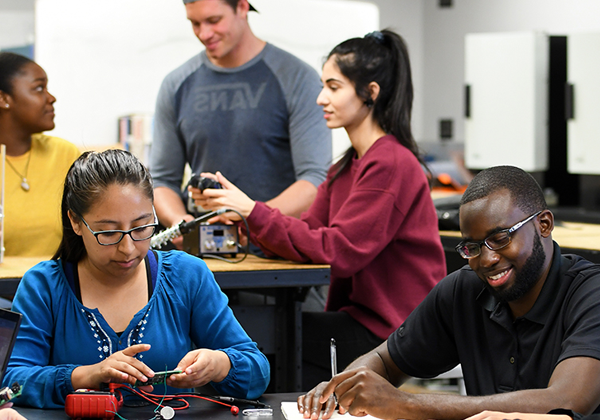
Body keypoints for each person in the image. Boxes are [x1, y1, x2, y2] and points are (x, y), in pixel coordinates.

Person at [197, 29, 446, 388]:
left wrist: (254, 211)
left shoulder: (391, 163)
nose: (320, 98)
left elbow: (338, 250)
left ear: (370, 93)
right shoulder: (345, 167)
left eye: (333, 86)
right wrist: (243, 222)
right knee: (252, 335)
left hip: (396, 333)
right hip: (362, 321)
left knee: (261, 341)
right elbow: (310, 236)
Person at [296, 165, 600, 420]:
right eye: (473, 247)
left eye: (501, 238)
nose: (487, 259)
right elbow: (385, 361)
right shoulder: (465, 289)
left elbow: (568, 402)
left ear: (544, 224)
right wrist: (345, 387)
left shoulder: (590, 294)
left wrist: (404, 405)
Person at [2, 149, 270, 408]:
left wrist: (219, 364)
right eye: (108, 233)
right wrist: (88, 375)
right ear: (75, 221)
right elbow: (12, 382)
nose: (128, 248)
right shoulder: (44, 286)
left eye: (142, 227)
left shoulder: (186, 276)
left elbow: (257, 371)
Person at [150, 0, 332, 240]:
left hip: (277, 251)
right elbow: (162, 180)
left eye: (214, 21)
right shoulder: (176, 84)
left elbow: (314, 180)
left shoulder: (297, 78)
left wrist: (252, 217)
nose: (204, 34)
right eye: (195, 23)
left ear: (243, 7)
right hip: (203, 251)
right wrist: (180, 222)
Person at [0, 52, 80, 257]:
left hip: (56, 285)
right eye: (38, 88)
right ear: (3, 98)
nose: (51, 98)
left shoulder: (64, 154)